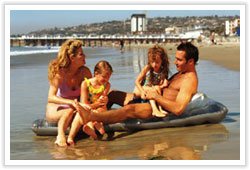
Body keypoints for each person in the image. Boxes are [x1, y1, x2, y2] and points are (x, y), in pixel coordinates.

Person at [74, 42, 199, 132]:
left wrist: (155, 96)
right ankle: (91, 113)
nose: (175, 62)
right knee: (113, 94)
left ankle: (91, 117)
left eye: (179, 60)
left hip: (154, 107)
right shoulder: (181, 73)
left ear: (191, 61)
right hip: (148, 97)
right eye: (176, 59)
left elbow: (178, 109)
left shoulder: (189, 80)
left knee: (129, 109)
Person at [46, 39, 92, 147]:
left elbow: (92, 91)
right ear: (72, 58)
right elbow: (51, 97)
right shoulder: (59, 72)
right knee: (69, 110)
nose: (85, 56)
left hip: (77, 105)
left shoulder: (85, 72)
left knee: (75, 110)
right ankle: (60, 135)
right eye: (81, 54)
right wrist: (71, 102)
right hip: (57, 106)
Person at [75, 60, 113, 140]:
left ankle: (96, 126)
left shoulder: (107, 85)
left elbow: (102, 101)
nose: (107, 79)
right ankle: (92, 128)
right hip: (88, 107)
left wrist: (105, 99)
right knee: (88, 112)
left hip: (99, 108)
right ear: (96, 74)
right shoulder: (85, 84)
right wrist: (95, 105)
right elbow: (84, 104)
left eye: (109, 77)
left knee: (101, 109)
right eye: (104, 76)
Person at [133, 45, 169, 117]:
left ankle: (160, 108)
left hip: (152, 89)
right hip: (140, 89)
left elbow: (160, 85)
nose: (154, 65)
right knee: (152, 89)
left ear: (162, 60)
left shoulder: (163, 71)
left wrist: (163, 85)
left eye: (157, 62)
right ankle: (155, 110)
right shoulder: (147, 68)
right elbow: (136, 81)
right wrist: (142, 91)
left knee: (156, 88)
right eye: (152, 62)